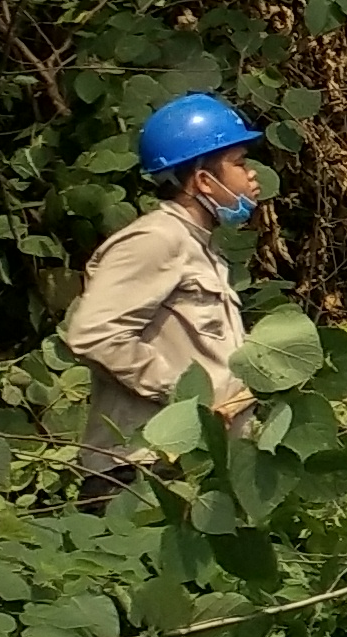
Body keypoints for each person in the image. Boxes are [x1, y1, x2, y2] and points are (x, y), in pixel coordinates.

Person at [64, 93, 270, 483]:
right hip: (140, 470)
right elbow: (94, 334)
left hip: (188, 464)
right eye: (240, 164)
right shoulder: (156, 240)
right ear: (204, 180)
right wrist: (189, 398)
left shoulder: (199, 246)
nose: (252, 176)